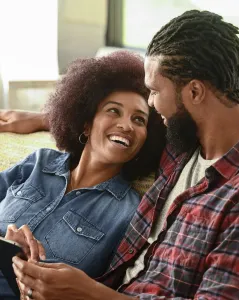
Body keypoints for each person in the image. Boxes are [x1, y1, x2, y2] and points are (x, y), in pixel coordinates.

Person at [1, 9, 239, 300]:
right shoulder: (184, 146)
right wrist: (45, 119)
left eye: (154, 92)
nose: (152, 105)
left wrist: (91, 294)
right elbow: (109, 130)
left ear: (194, 93)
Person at [0, 50, 165, 299]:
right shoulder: (38, 163)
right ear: (86, 124)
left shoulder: (131, 212)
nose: (127, 125)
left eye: (139, 120)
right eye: (113, 111)